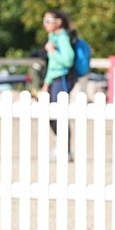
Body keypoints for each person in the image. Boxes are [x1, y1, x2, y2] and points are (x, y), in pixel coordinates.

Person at [41, 9, 76, 159]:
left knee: (60, 114)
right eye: (44, 21)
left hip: (62, 79)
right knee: (51, 114)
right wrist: (46, 83)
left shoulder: (62, 38)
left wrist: (53, 51)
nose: (45, 24)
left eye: (48, 21)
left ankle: (65, 149)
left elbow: (68, 60)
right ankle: (60, 145)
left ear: (58, 22)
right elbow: (51, 65)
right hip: (54, 79)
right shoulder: (53, 38)